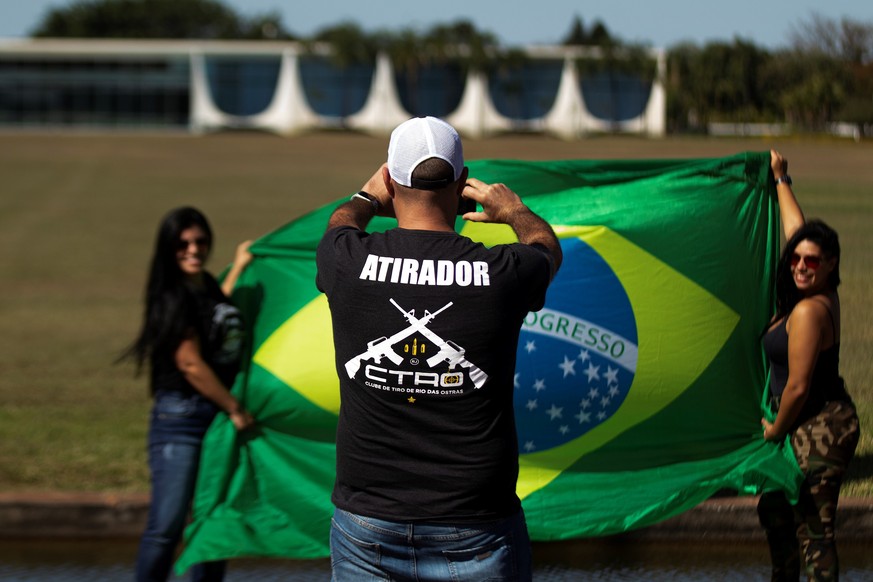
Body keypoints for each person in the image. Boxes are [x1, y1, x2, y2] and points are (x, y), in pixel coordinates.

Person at [315, 116, 563, 581]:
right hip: (476, 527)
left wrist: (366, 198)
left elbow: (338, 227)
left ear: (390, 179)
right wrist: (513, 210)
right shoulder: (501, 272)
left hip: (366, 524)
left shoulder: (344, 261)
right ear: (463, 183)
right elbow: (546, 248)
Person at [123, 206, 256, 582]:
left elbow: (216, 312)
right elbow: (190, 364)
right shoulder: (172, 295)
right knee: (166, 525)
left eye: (200, 241)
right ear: (168, 248)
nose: (193, 249)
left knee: (212, 523)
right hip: (181, 420)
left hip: (212, 416)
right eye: (183, 244)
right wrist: (235, 409)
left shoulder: (206, 285)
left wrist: (240, 266)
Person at [757, 150, 860, 581]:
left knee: (814, 533)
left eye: (811, 261)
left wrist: (775, 430)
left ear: (830, 264)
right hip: (800, 422)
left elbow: (798, 386)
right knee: (775, 513)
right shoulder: (812, 289)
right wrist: (782, 179)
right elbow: (798, 233)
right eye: (796, 259)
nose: (800, 265)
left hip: (817, 426)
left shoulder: (809, 311)